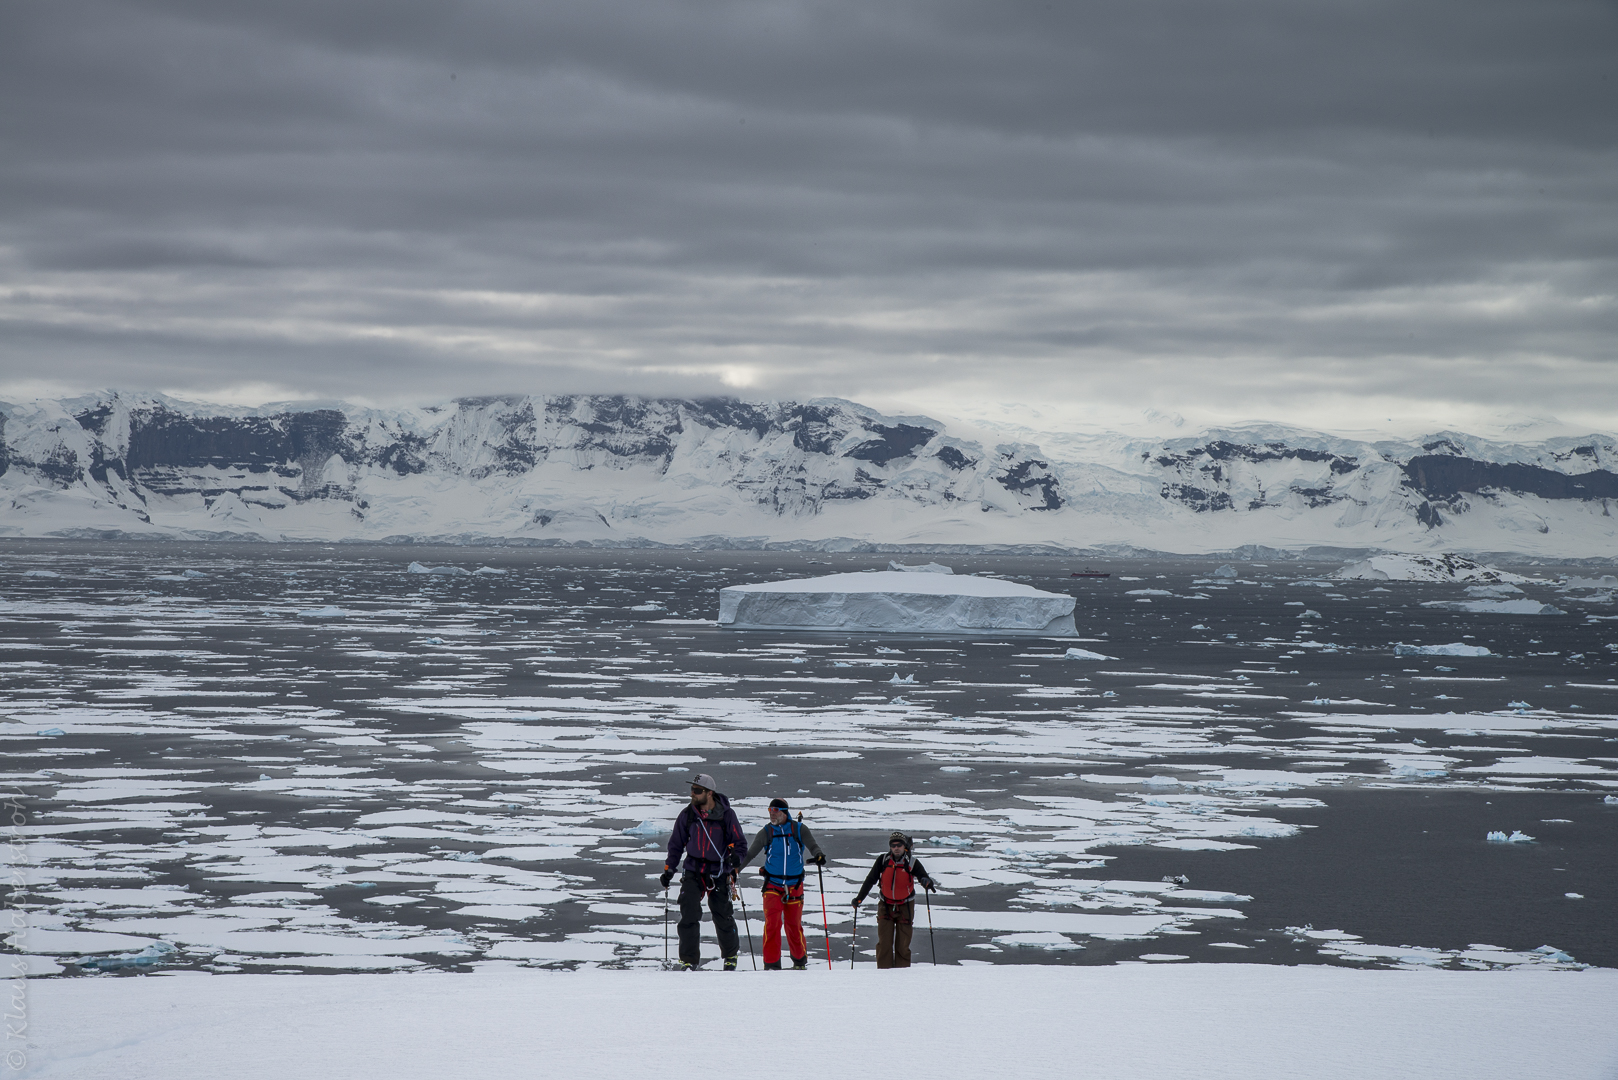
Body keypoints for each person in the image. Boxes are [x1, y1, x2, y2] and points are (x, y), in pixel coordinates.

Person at [659, 773, 747, 970]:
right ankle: (689, 961)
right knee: (688, 913)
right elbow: (676, 845)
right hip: (694, 870)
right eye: (691, 790)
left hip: (719, 871)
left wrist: (736, 859)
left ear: (709, 793)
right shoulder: (687, 815)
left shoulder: (727, 815)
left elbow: (740, 844)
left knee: (722, 915)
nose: (692, 794)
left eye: (697, 791)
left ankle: (730, 956)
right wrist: (669, 870)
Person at [741, 798, 826, 970]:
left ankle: (800, 962)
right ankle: (772, 965)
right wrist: (735, 869)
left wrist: (819, 855)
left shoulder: (799, 829)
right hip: (772, 884)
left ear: (784, 812)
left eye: (776, 810)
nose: (772, 814)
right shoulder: (766, 832)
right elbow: (750, 854)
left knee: (793, 925)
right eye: (770, 810)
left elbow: (812, 845)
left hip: (794, 885)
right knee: (773, 924)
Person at [851, 831, 936, 969]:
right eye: (893, 845)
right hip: (885, 905)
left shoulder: (912, 862)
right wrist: (859, 898)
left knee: (903, 945)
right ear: (890, 847)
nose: (896, 848)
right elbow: (870, 880)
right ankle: (884, 975)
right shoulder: (883, 860)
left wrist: (926, 881)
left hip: (906, 906)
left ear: (905, 846)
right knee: (884, 944)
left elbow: (923, 877)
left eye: (899, 845)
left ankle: (901, 976)